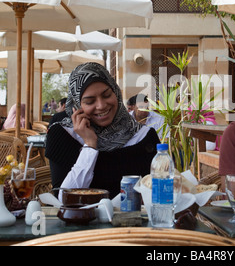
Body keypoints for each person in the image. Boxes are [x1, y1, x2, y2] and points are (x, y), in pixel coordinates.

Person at [45, 63, 160, 199]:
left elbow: (160, 191)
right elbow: (65, 199)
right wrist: (89, 145)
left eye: (106, 95)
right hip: (80, 220)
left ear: (116, 93)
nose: (101, 105)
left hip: (132, 219)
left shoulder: (144, 136)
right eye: (90, 101)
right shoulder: (62, 136)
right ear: (77, 105)